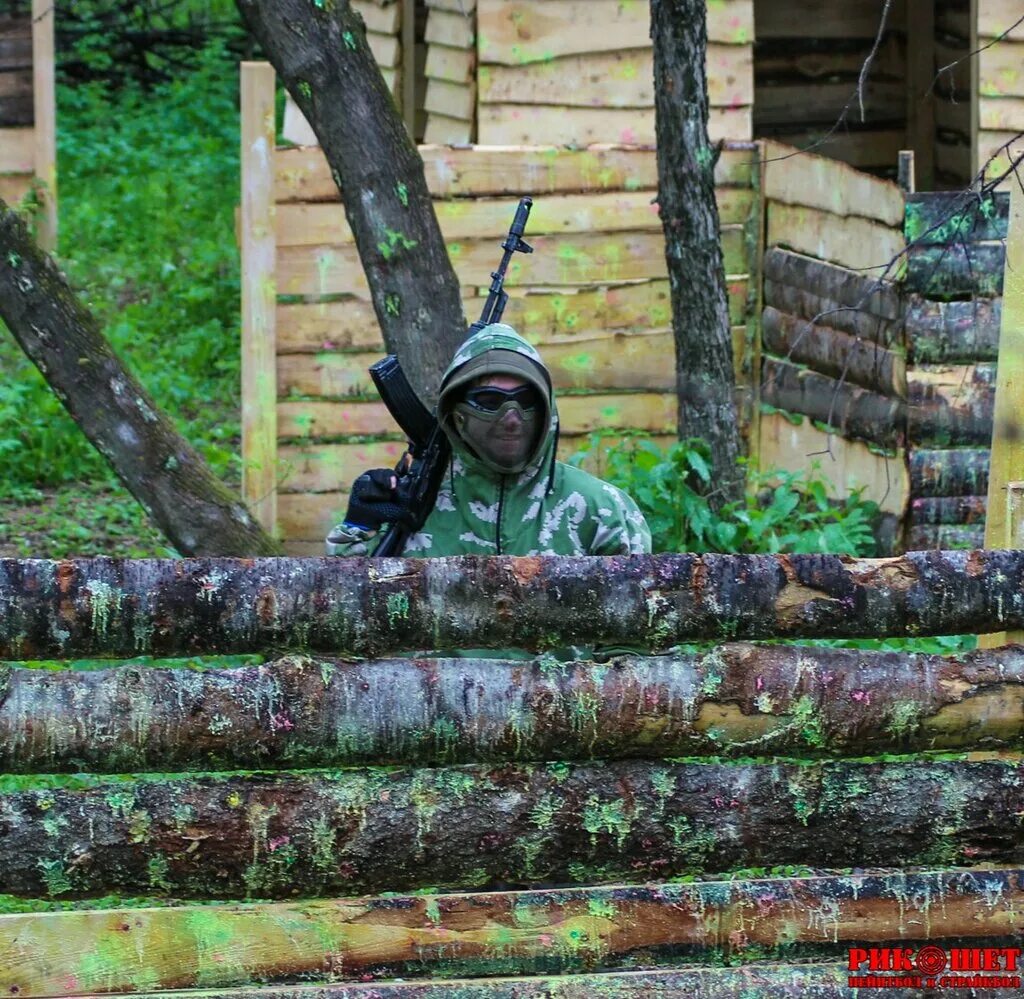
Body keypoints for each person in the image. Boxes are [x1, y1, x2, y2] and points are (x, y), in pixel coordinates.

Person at [326, 323, 651, 559]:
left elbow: (631, 644)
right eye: (490, 399)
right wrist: (359, 526)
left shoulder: (602, 510)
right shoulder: (412, 505)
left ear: (547, 408)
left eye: (525, 399)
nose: (511, 418)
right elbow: (346, 617)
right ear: (456, 413)